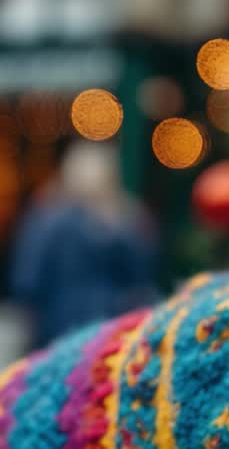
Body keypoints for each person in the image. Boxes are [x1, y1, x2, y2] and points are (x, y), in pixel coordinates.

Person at [9, 139, 157, 351]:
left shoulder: (124, 216)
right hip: (62, 330)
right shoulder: (50, 217)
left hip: (108, 331)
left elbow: (140, 274)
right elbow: (27, 281)